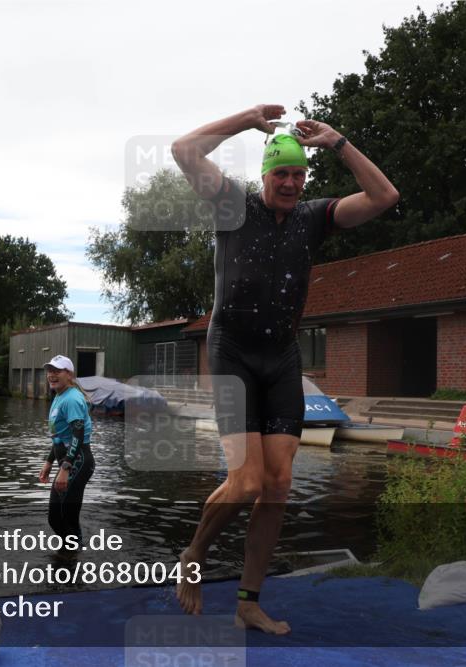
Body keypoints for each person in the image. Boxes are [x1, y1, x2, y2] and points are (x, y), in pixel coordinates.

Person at [170, 104, 398, 633]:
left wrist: (339, 141)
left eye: (299, 174)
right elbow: (184, 150)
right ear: (265, 175)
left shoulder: (314, 217)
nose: (292, 183)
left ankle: (249, 600)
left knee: (278, 484)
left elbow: (385, 197)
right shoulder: (233, 206)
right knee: (246, 481)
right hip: (231, 352)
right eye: (282, 174)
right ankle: (194, 554)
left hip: (280, 357)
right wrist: (247, 118)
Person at [37, 355, 95, 557]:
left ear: (69, 375)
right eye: (49, 371)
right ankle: (73, 555)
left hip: (76, 463)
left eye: (57, 371)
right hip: (70, 462)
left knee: (57, 517)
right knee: (68, 517)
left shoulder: (71, 398)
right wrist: (49, 461)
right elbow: (60, 437)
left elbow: (78, 435)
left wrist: (65, 468)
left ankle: (70, 555)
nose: (51, 375)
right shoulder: (59, 396)